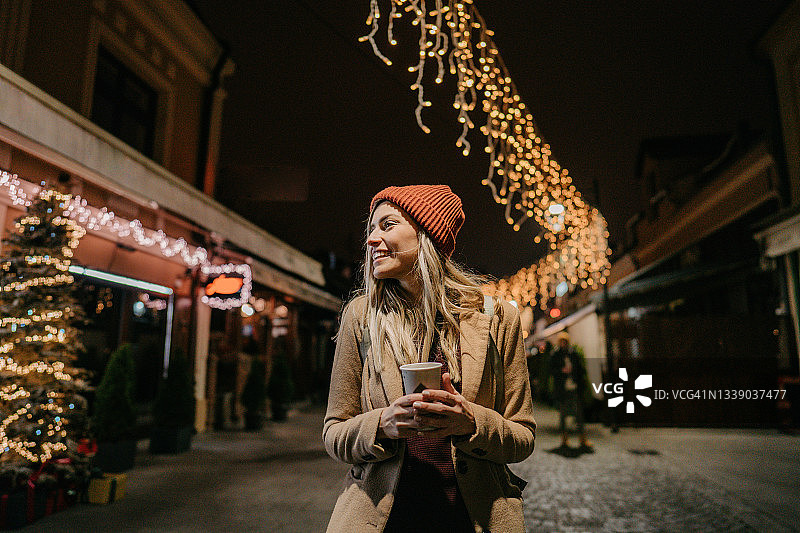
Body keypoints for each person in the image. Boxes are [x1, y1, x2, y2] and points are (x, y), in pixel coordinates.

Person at [323, 185, 536, 533]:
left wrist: (472, 423)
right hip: (383, 521)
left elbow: (523, 437)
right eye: (371, 229)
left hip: (470, 519)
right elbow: (334, 433)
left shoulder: (497, 318)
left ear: (428, 234)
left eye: (387, 225)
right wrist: (383, 425)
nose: (371, 239)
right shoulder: (362, 317)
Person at [549, 331, 592, 449]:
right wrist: (561, 371)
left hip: (574, 387)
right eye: (561, 341)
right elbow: (552, 370)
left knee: (579, 414)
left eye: (565, 341)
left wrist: (577, 378)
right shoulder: (555, 354)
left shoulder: (573, 353)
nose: (563, 343)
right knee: (563, 415)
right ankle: (564, 439)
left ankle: (582, 439)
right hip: (562, 389)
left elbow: (580, 369)